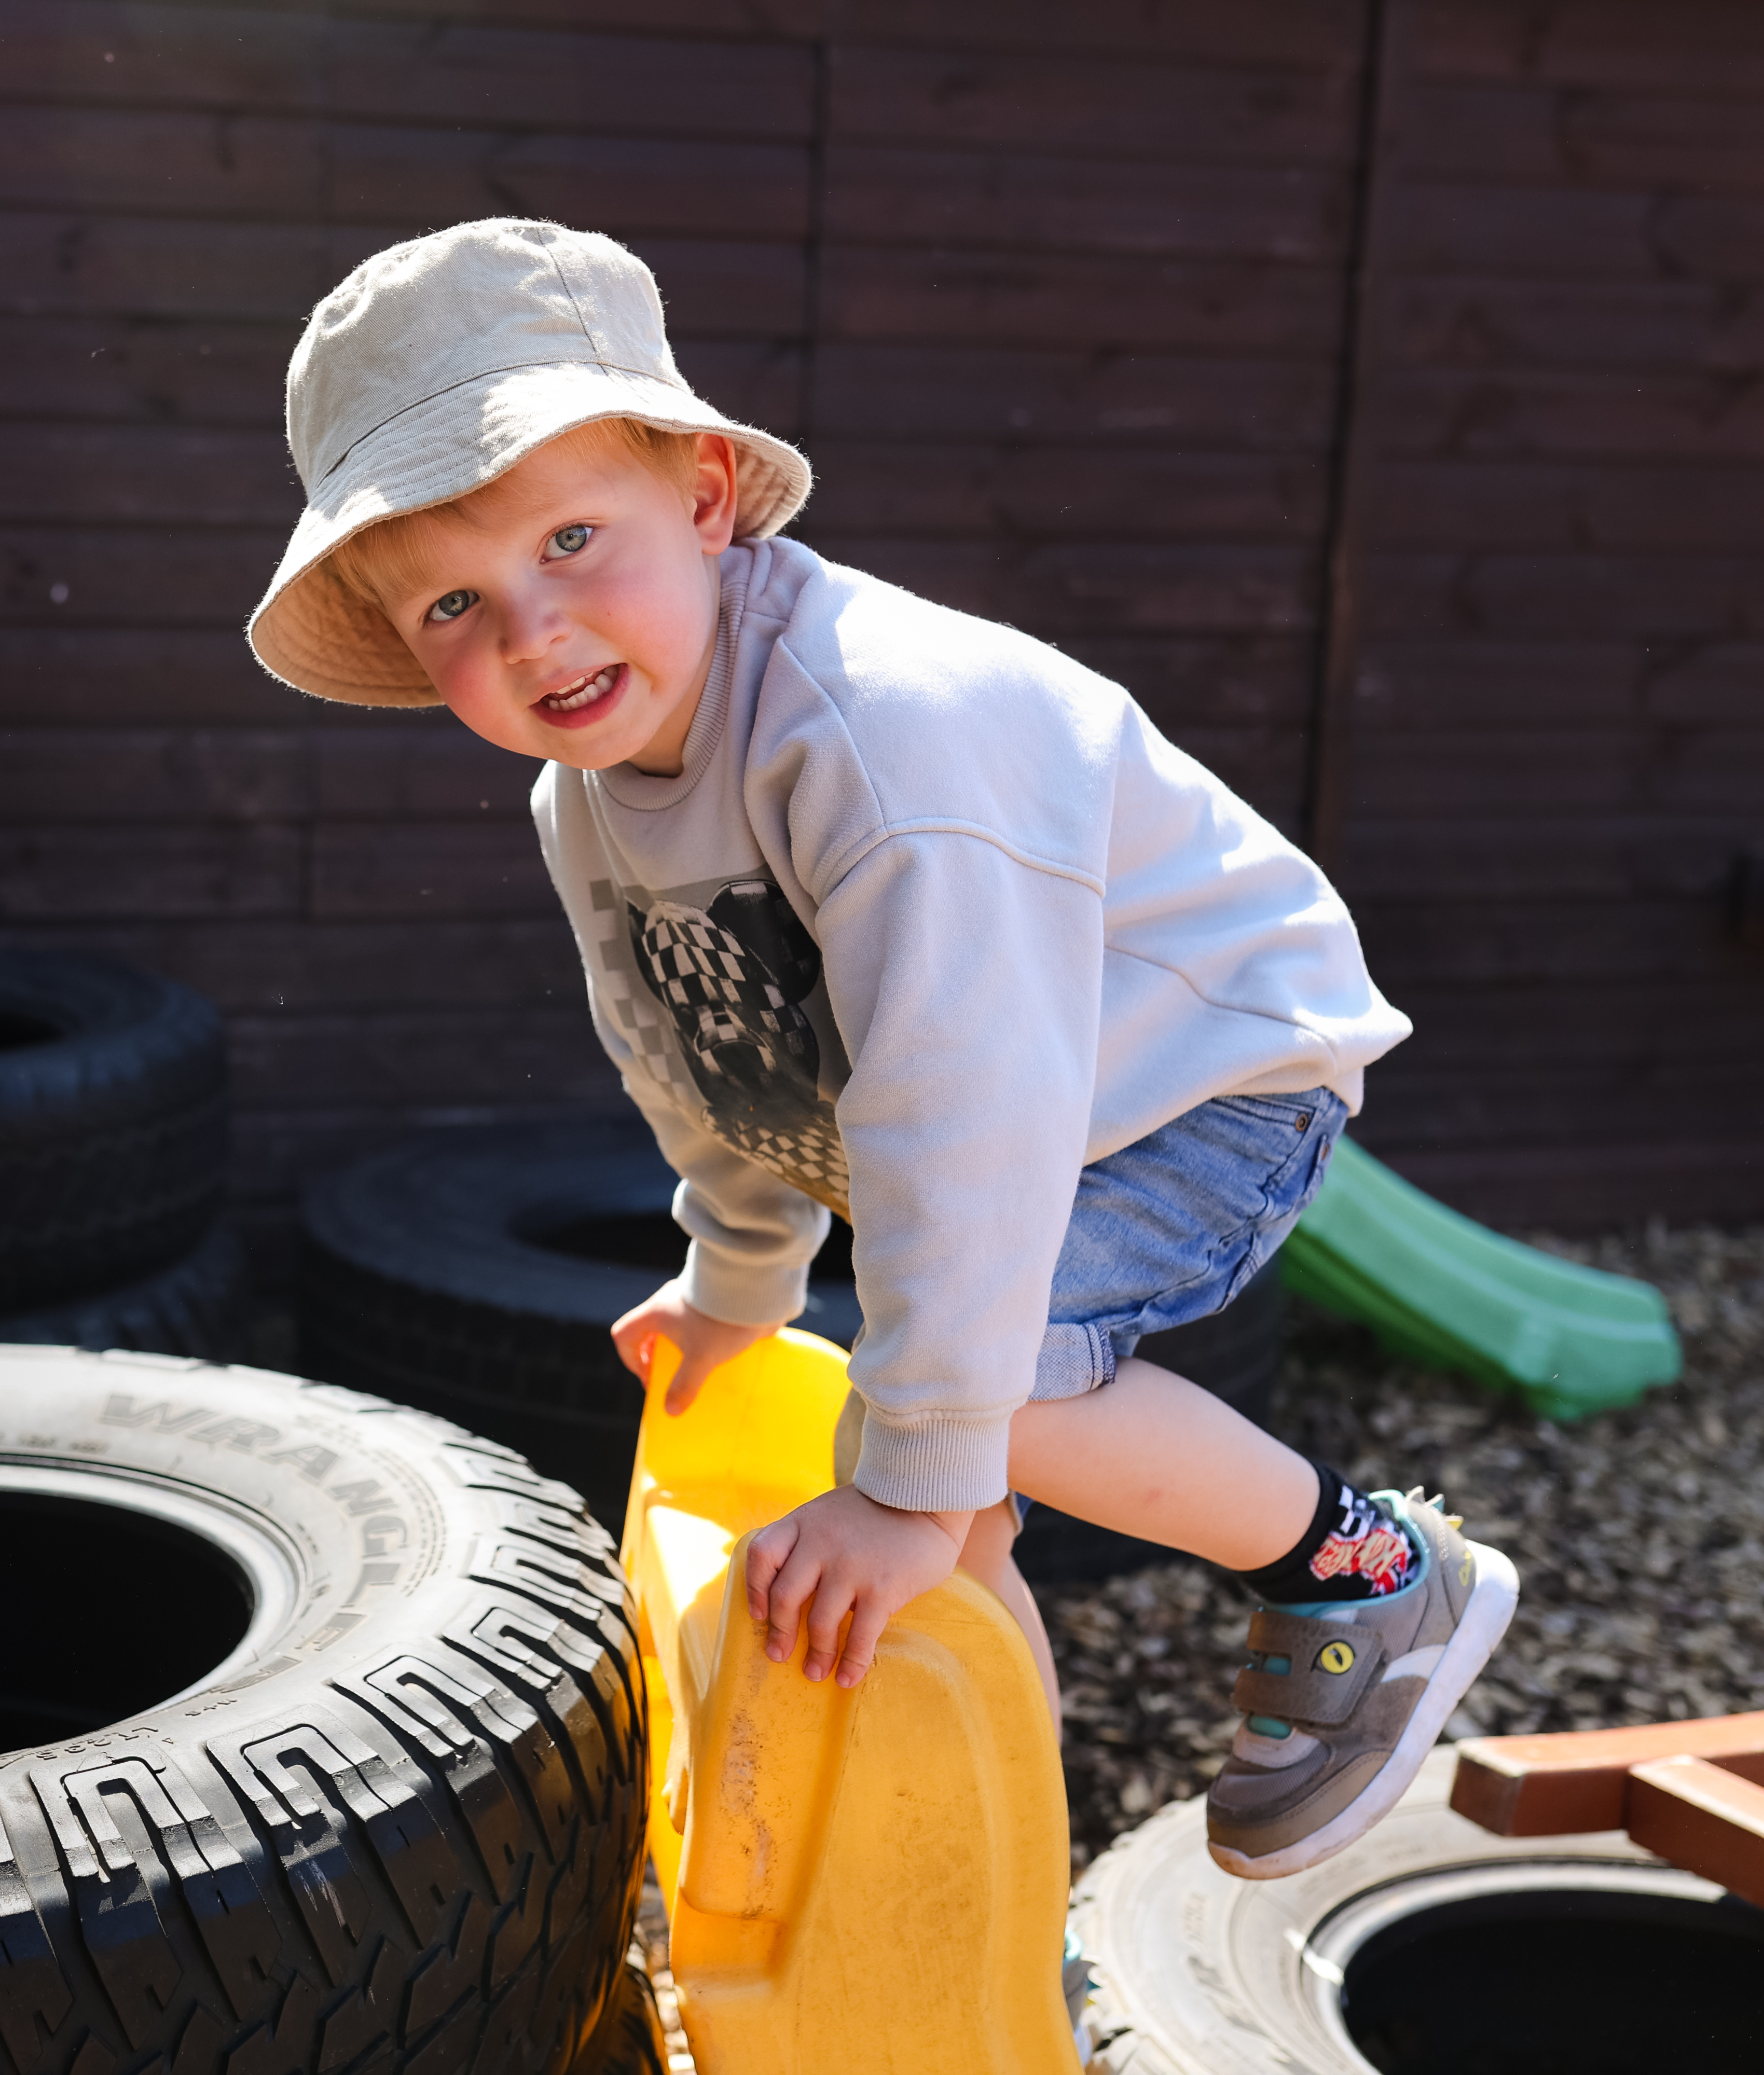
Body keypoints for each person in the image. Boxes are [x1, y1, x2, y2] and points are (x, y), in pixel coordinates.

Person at [243, 218, 1518, 1880]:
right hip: (995, 1089)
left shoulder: (880, 729)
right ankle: (979, 1859)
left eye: (572, 539)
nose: (533, 635)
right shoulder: (587, 798)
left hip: (1189, 1068)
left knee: (983, 1407)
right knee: (933, 1468)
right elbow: (696, 1050)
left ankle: (1366, 1572)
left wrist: (914, 1481)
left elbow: (968, 1099)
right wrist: (735, 1283)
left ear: (705, 498)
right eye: (454, 605)